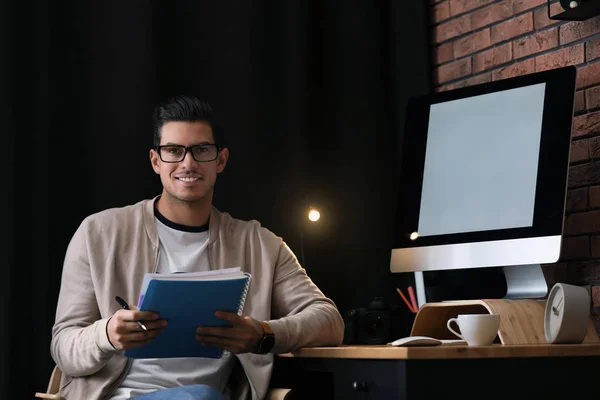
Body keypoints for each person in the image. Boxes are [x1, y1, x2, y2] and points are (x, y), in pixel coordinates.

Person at [50, 95, 345, 400]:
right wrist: (107, 334)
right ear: (156, 161)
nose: (188, 163)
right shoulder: (98, 233)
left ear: (220, 160)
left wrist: (262, 334)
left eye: (201, 150)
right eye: (174, 151)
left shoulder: (260, 244)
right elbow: (63, 347)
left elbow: (328, 319)